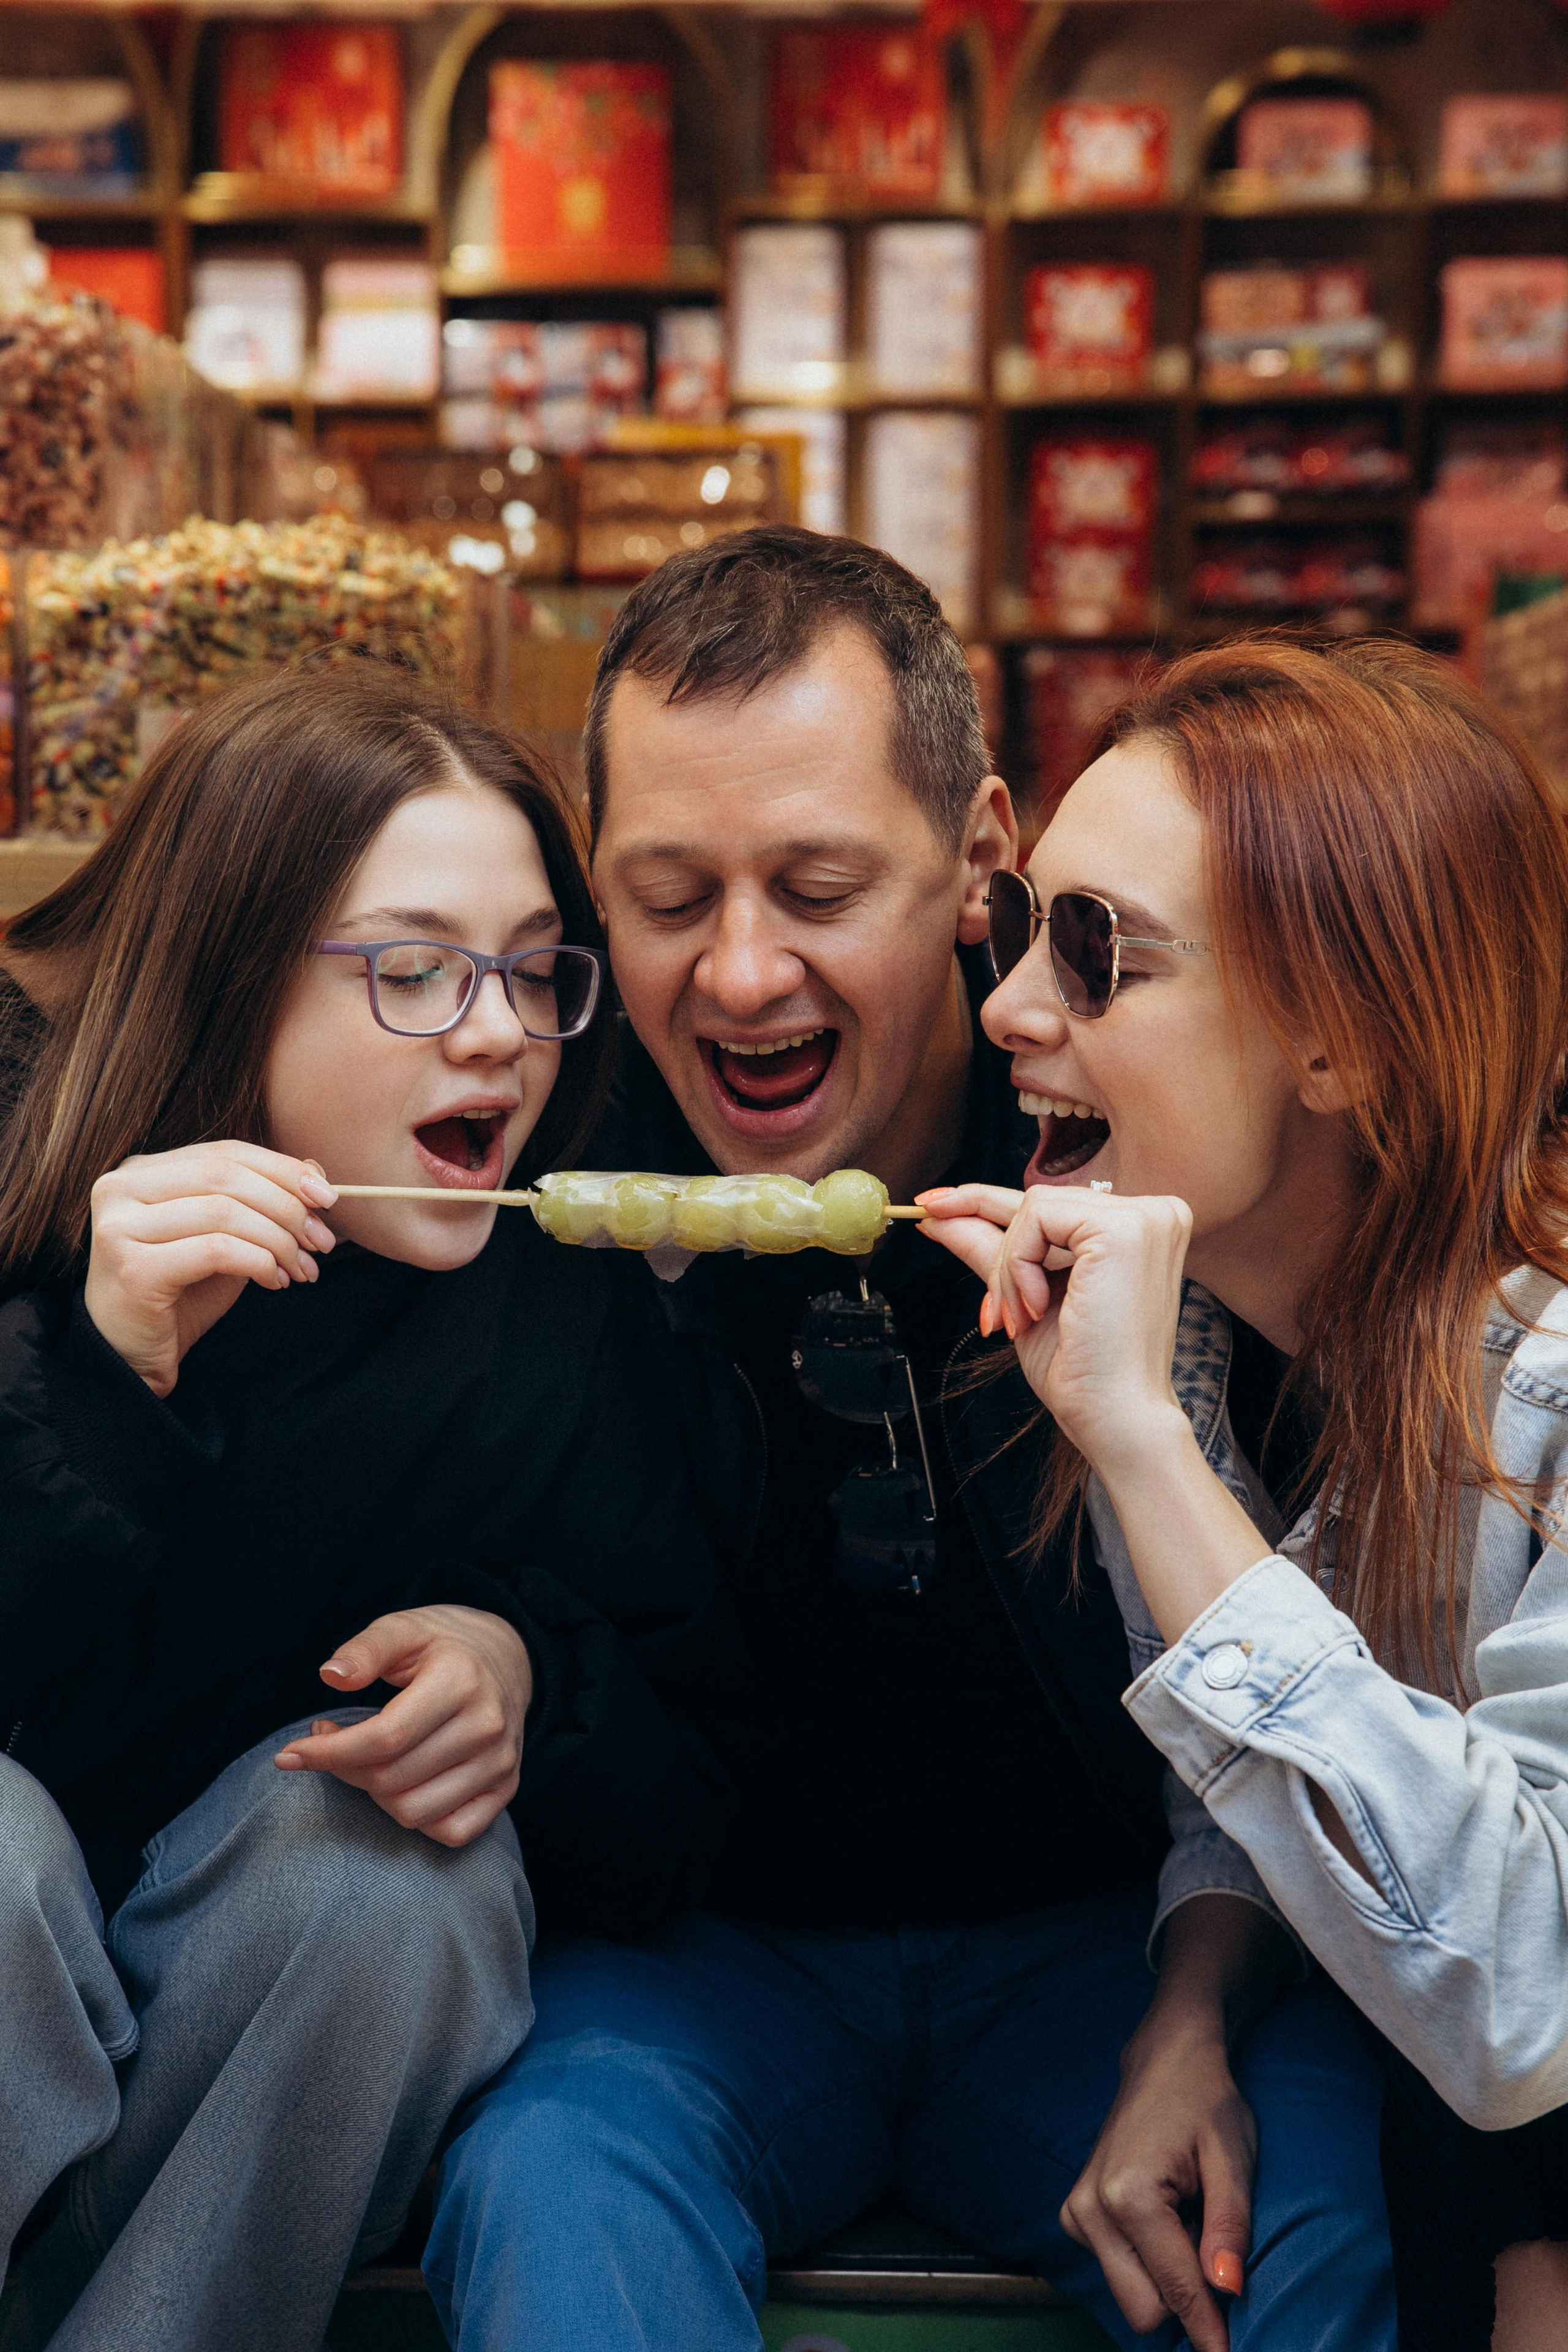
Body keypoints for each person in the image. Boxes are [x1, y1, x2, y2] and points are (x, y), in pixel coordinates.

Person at [427, 529, 1395, 2352]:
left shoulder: (1134, 1132)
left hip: (1116, 1937)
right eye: (664, 895)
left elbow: (1336, 1671)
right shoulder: (523, 1146)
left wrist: (1198, 2007)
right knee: (550, 2185)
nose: (737, 976)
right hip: (698, 1963)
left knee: (1299, 2218)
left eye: (816, 886)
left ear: (979, 862)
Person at [0, 663, 753, 2352]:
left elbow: (697, 1793)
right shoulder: (25, 1160)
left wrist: (532, 1678)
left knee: (396, 1884)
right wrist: (98, 1383)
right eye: (412, 971)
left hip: (274, 2048)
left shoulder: (566, 1300)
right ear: (229, 981)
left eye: (535, 972)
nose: (495, 1032)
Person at [919, 636, 1568, 2352]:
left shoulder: (1550, 1372)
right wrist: (1188, 2013)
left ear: (1340, 1043)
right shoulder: (1197, 1336)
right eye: (1014, 929)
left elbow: (1526, 1989)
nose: (1005, 1008)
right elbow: (1250, 1794)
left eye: (1096, 952)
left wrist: (1134, 1444)